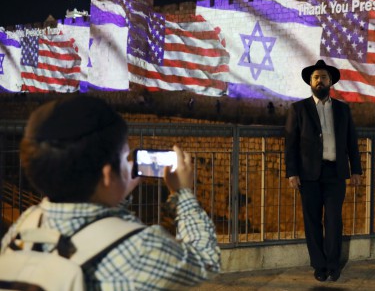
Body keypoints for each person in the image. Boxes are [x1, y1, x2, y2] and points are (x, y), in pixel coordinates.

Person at [0, 95, 220, 289]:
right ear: (107, 175)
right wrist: (182, 193)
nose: (129, 163)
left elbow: (92, 223)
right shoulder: (140, 248)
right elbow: (205, 261)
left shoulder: (26, 225)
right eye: (125, 157)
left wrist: (114, 191)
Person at [285, 59, 363, 282]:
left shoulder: (342, 110)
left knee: (334, 221)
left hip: (335, 174)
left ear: (331, 82)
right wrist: (292, 172)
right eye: (316, 77)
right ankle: (318, 265)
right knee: (312, 221)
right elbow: (290, 143)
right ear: (310, 82)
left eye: (324, 77)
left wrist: (355, 169)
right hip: (308, 175)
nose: (320, 80)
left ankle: (333, 264)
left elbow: (351, 142)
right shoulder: (298, 109)